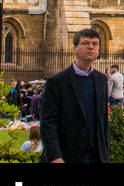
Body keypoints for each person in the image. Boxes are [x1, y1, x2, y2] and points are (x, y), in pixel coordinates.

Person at [40, 27, 110, 164]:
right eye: (85, 43)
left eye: (95, 44)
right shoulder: (56, 82)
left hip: (95, 156)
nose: (91, 47)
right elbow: (48, 123)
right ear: (75, 48)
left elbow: (102, 121)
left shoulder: (101, 80)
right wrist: (55, 157)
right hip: (67, 155)